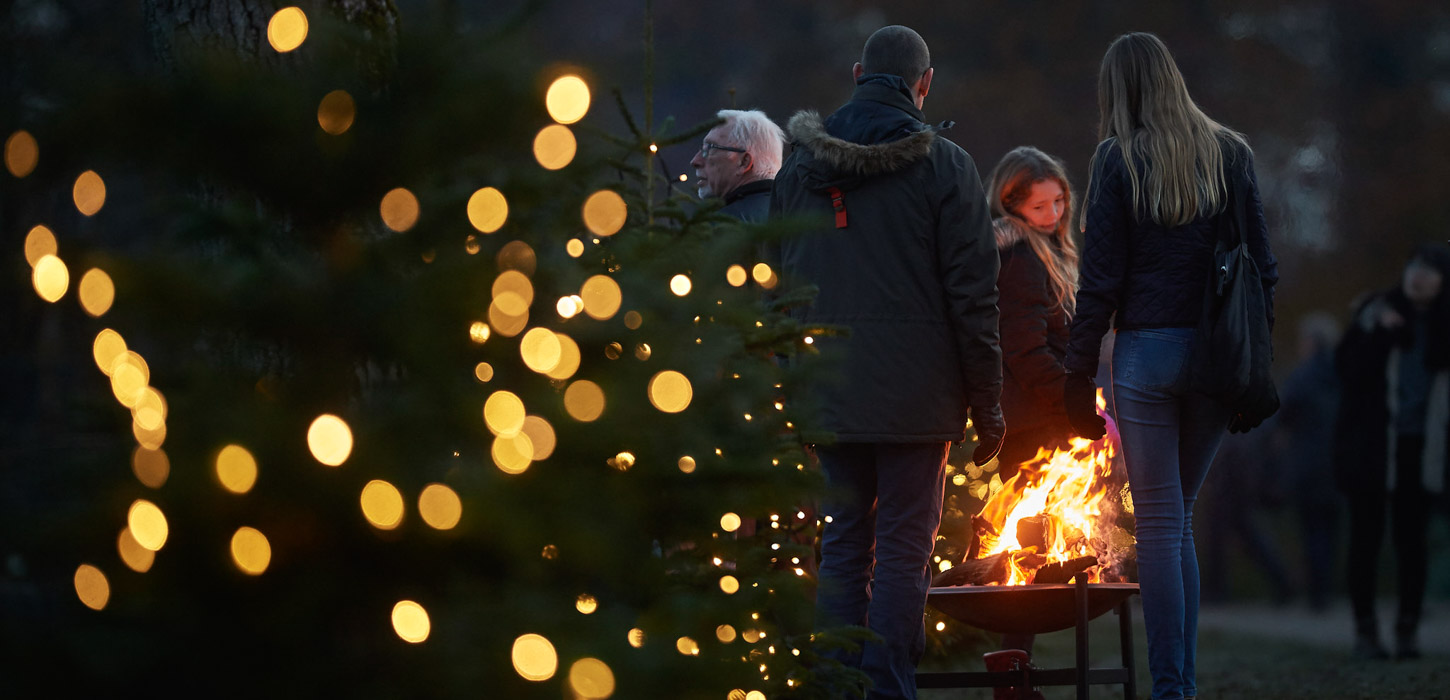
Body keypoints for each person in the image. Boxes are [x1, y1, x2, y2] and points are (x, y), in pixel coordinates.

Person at [770, 25, 1005, 699]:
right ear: (923, 84)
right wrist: (987, 404)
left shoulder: (799, 166)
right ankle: (888, 689)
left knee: (844, 545)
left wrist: (794, 382)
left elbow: (779, 278)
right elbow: (973, 294)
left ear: (856, 73)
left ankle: (835, 686)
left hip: (830, 387)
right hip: (917, 396)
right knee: (904, 548)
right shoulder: (947, 166)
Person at [1062, 33, 1278, 700]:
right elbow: (1262, 270)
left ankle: (1171, 689)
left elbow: (1098, 281)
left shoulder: (1117, 159)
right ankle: (1176, 687)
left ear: (1117, 91)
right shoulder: (1230, 152)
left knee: (1158, 523)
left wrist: (1075, 378)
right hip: (1217, 359)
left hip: (1147, 354)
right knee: (1177, 518)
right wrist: (1252, 365)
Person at [1333, 243, 1450, 660]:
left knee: (1412, 542)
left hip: (1420, 449)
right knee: (1365, 538)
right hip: (1372, 445)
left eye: (1431, 269)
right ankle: (1365, 630)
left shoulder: (1442, 327)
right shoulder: (1374, 313)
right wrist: (1379, 332)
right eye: (1415, 264)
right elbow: (1345, 371)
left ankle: (1407, 629)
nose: (1419, 274)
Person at [987, 146, 1078, 479]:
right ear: (1012, 206)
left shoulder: (1049, 250)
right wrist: (1071, 398)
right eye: (1039, 206)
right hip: (1035, 425)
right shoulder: (1019, 259)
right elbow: (1024, 350)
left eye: (1059, 201)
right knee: (1038, 527)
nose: (1053, 214)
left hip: (1046, 415)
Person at [1272, 311, 1342, 611]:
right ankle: (1326, 591)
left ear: (1312, 341)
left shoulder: (1302, 376)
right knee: (1332, 531)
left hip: (1308, 463)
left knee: (1311, 530)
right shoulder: (1345, 373)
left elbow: (1283, 416)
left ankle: (1316, 596)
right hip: (1339, 463)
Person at [689, 109, 786, 224]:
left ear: (744, 162)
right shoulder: (799, 218)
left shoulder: (721, 226)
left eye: (710, 148)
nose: (695, 161)